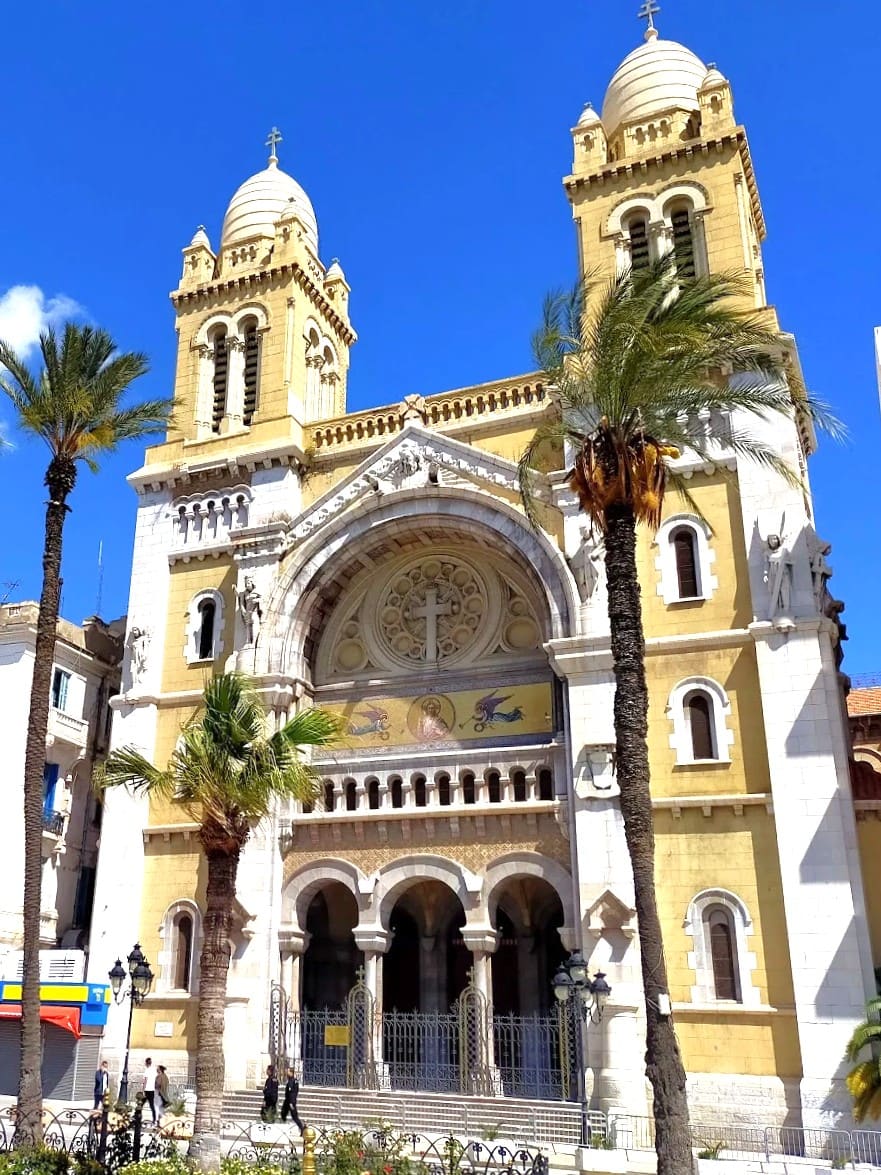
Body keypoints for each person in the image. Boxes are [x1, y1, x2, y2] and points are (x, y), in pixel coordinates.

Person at [280, 1067, 304, 1133]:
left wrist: (291, 1102)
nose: (286, 1073)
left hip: (290, 1102)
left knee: (294, 1116)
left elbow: (293, 1093)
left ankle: (302, 1129)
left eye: (288, 1072)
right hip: (287, 1101)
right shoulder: (291, 1080)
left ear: (291, 1072)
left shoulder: (292, 1081)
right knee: (283, 1114)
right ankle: (282, 1128)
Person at [143, 1057, 157, 1123]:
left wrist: (143, 1089)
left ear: (146, 1063)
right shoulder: (154, 1070)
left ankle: (137, 1116)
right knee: (152, 1105)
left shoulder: (147, 1070)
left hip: (147, 1090)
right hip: (152, 1090)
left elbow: (145, 1080)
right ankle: (154, 1119)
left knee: (140, 1104)